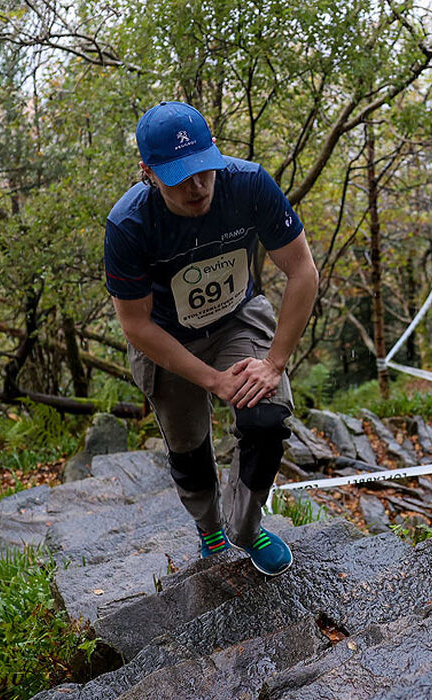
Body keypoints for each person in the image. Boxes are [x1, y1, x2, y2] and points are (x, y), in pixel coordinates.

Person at [104, 102, 318, 576]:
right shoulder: (129, 225)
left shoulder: (248, 184)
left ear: (215, 153)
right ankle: (210, 527)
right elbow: (136, 326)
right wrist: (213, 381)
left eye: (203, 169)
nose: (196, 186)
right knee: (189, 444)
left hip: (237, 319)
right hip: (167, 338)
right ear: (148, 172)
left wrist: (275, 363)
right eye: (178, 176)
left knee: (265, 417)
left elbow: (302, 271)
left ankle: (246, 526)